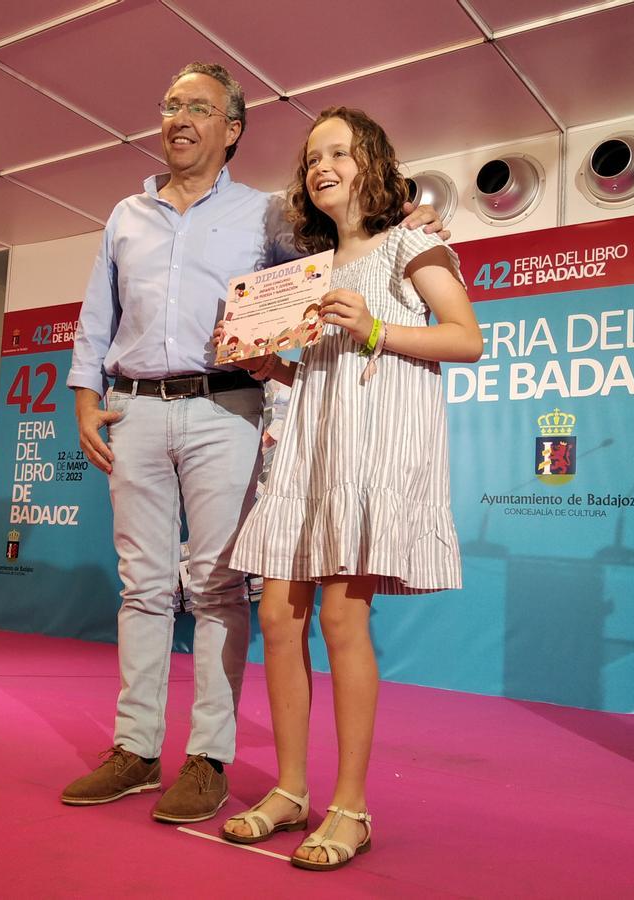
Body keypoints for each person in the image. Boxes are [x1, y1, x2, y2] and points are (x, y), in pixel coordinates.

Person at [62, 63, 448, 825]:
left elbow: (338, 257)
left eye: (197, 107)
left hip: (225, 408)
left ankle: (207, 757)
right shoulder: (124, 216)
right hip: (132, 407)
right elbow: (95, 314)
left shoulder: (268, 217)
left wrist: (416, 227)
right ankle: (136, 750)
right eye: (170, 103)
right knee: (141, 587)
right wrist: (83, 394)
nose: (178, 117)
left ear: (231, 129)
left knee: (214, 586)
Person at [219, 107, 482, 869]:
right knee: (276, 613)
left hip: (371, 455)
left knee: (341, 618)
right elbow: (326, 371)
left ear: (371, 160)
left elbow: (466, 338)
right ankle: (292, 791)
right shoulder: (309, 271)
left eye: (337, 151)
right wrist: (278, 367)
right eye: (311, 159)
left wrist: (374, 329)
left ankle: (352, 806)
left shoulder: (413, 242)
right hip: (310, 446)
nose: (322, 166)